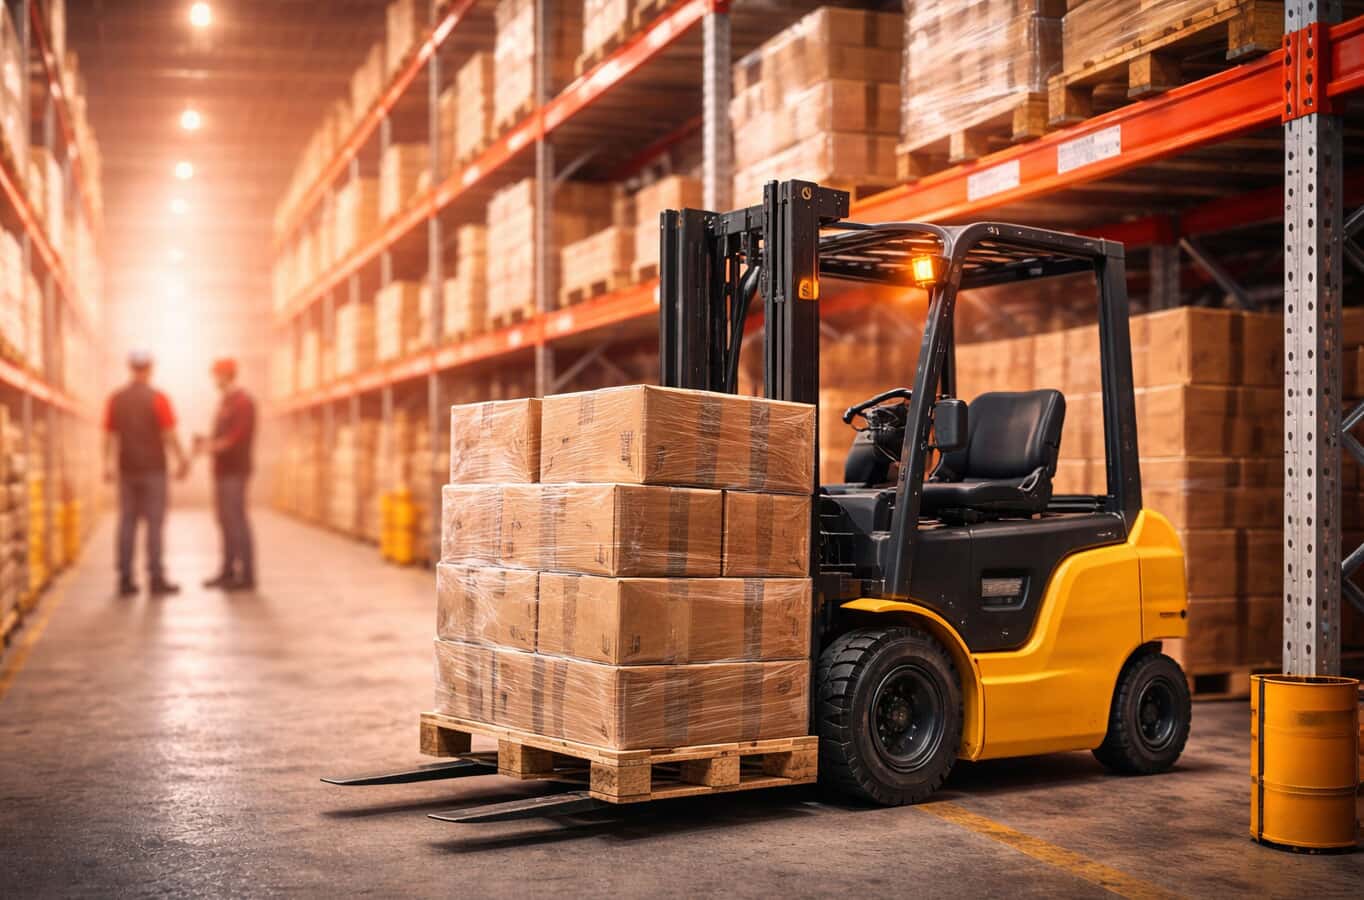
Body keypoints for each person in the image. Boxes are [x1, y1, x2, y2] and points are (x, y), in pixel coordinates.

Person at [104, 350, 189, 597]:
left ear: (130, 368)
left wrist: (106, 464)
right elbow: (169, 434)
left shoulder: (116, 399)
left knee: (127, 522)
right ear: (150, 369)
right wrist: (181, 459)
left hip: (126, 468)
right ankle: (156, 578)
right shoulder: (158, 398)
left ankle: (125, 579)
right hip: (154, 470)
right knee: (155, 524)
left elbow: (109, 435)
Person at [201, 357, 257, 590]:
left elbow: (239, 437)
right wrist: (207, 443)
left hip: (235, 471)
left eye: (217, 374)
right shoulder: (225, 402)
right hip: (222, 471)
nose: (214, 379)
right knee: (224, 521)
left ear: (227, 375)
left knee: (237, 520)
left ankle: (246, 575)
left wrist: (214, 446)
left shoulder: (243, 402)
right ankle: (227, 571)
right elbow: (221, 436)